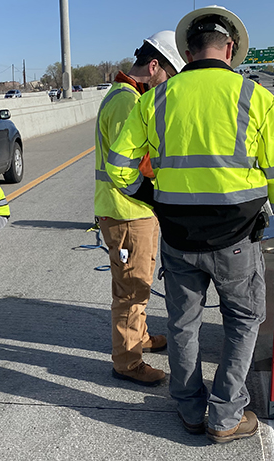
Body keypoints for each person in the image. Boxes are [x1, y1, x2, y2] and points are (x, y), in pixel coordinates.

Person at [106, 6, 274, 443]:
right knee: (242, 320)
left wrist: (155, 200)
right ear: (230, 49)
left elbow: (118, 167)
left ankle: (190, 408)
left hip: (178, 238)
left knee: (182, 324)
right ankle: (226, 417)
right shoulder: (256, 98)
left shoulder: (155, 99)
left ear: (187, 51)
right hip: (237, 239)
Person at [95, 31, 184, 387]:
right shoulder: (127, 102)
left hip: (131, 211)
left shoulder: (126, 95)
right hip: (126, 211)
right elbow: (133, 163)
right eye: (168, 76)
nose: (167, 85)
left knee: (140, 280)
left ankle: (141, 336)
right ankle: (128, 361)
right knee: (131, 288)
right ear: (154, 66)